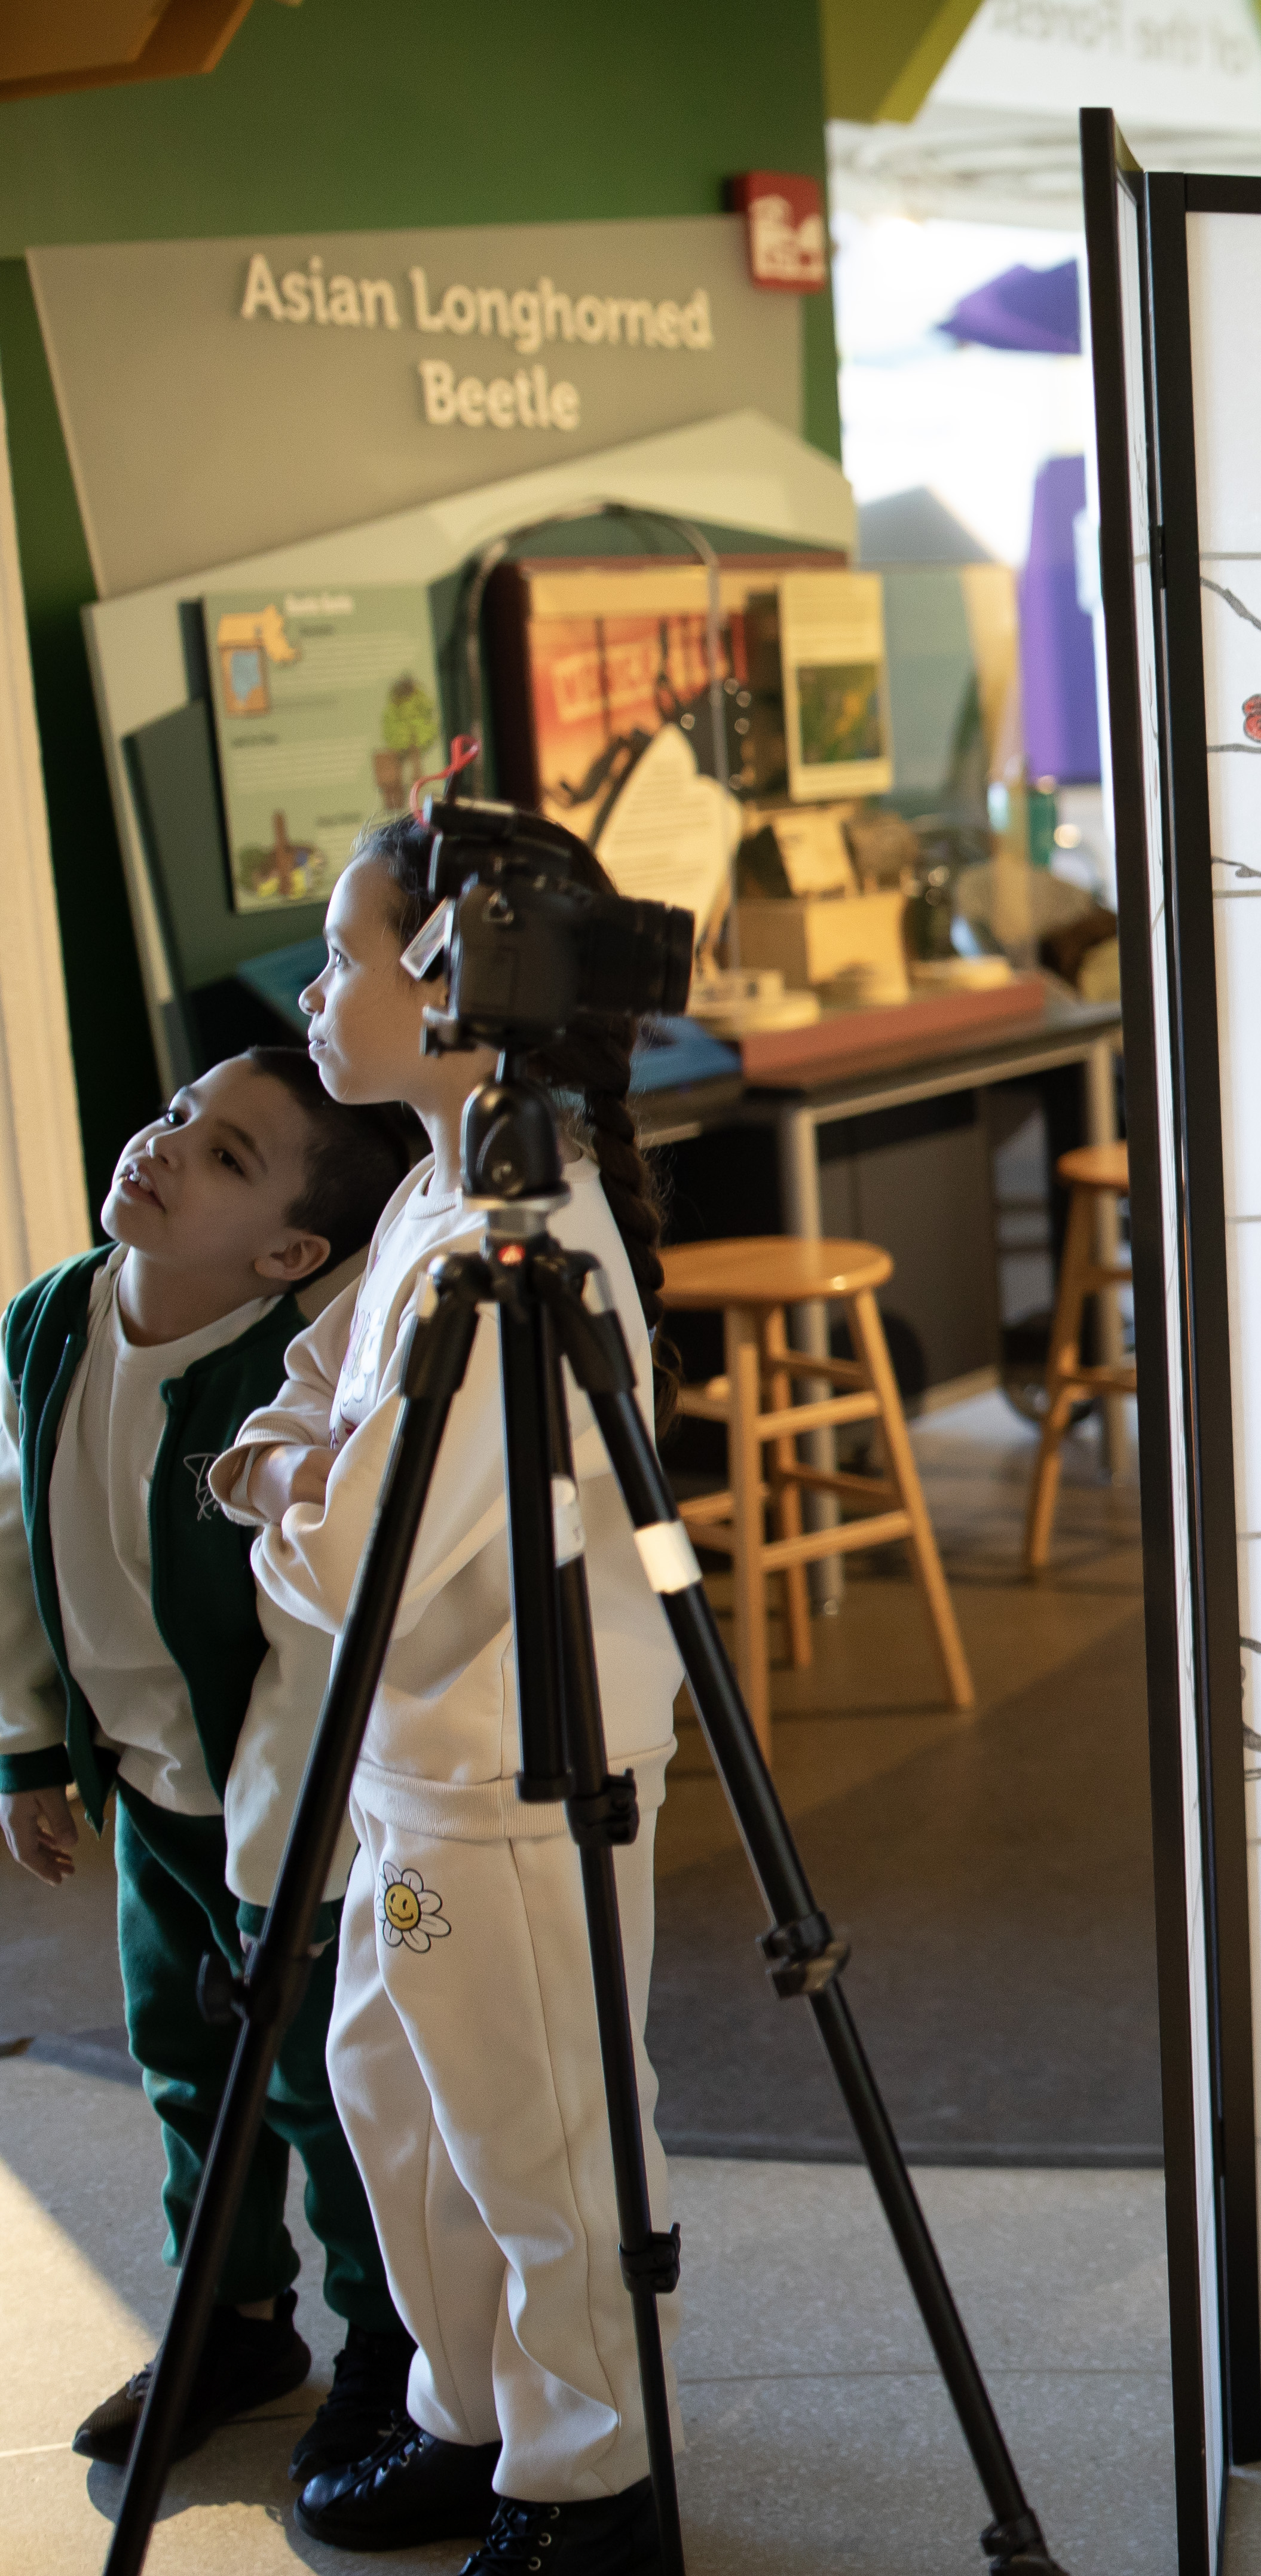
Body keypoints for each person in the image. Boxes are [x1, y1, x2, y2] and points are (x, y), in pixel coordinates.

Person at [212, 813, 687, 2576]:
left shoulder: (516, 1233)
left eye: (345, 955)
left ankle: (593, 2481)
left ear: (461, 988)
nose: (316, 988)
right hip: (409, 1758)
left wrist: (291, 1496)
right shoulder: (434, 1190)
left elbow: (349, 1566)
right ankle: (472, 2416)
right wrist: (298, 1480)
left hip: (515, 1760)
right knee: (396, 2093)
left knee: (540, 2123)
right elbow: (291, 1423)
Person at [0, 1045, 423, 2484]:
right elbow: (12, 1539)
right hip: (141, 1791)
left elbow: (304, 1657)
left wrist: (281, 1862)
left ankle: (390, 2342)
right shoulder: (49, 1322)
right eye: (181, 1113)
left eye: (225, 1156)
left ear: (292, 1253)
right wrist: (24, 1748)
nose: (164, 1143)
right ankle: (232, 2315)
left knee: (316, 2084)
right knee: (183, 2064)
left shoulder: (282, 1397)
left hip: (279, 1815)